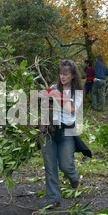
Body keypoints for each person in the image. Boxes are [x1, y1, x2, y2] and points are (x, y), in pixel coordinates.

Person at [41, 59, 85, 207]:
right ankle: (53, 198)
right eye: (61, 74)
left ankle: (73, 178)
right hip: (49, 130)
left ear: (73, 75)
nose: (63, 77)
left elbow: (71, 109)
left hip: (67, 131)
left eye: (66, 74)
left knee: (66, 164)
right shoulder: (54, 87)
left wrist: (57, 96)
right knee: (50, 165)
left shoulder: (76, 92)